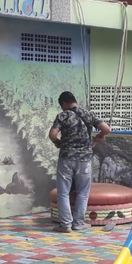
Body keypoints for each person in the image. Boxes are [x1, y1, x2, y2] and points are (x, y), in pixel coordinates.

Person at [49, 91, 111, 233]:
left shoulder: (63, 115)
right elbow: (106, 129)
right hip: (84, 159)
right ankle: (78, 223)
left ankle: (65, 225)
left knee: (63, 192)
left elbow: (52, 135)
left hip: (66, 158)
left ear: (64, 103)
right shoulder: (88, 113)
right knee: (83, 192)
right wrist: (100, 135)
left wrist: (59, 143)